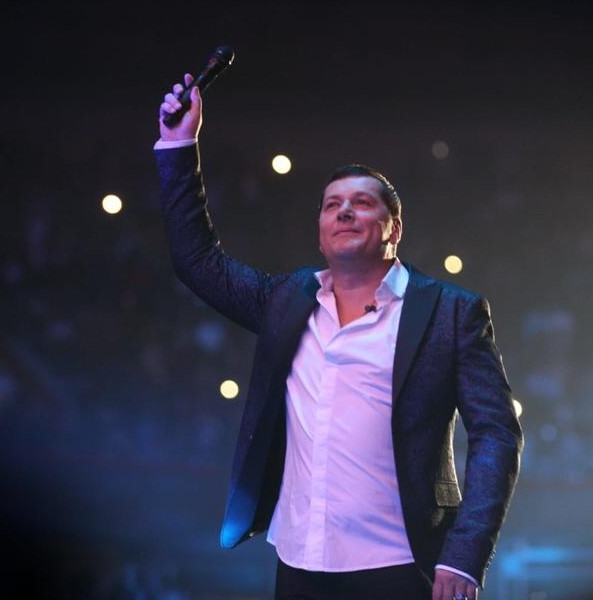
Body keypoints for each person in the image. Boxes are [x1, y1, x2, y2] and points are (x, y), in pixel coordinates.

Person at [154, 74, 522, 600]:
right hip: (299, 560)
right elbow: (196, 261)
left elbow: (497, 434)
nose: (344, 210)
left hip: (402, 563)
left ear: (395, 229)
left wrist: (464, 555)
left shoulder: (451, 313)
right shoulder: (287, 300)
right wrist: (178, 144)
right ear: (322, 233)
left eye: (362, 202)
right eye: (331, 205)